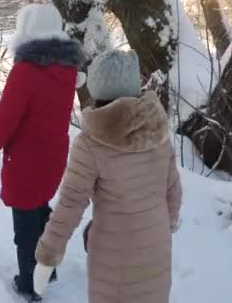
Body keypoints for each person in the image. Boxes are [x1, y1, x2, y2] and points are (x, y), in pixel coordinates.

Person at [33, 49, 183, 303]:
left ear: (96, 88)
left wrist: (47, 255)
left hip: (115, 257)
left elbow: (71, 204)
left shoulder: (91, 142)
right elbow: (173, 192)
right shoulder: (158, 132)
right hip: (157, 248)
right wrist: (159, 231)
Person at [0, 3, 85, 302]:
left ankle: (30, 285)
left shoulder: (25, 71)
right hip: (53, 157)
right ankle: (47, 268)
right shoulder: (68, 70)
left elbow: (5, 119)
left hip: (25, 160)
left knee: (25, 226)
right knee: (40, 208)